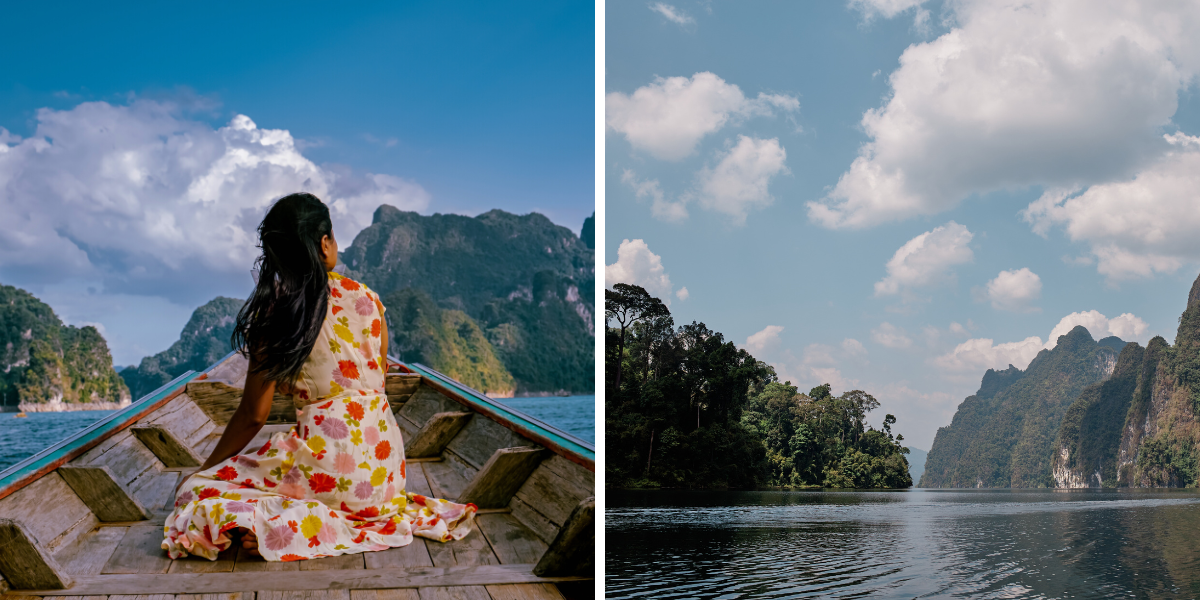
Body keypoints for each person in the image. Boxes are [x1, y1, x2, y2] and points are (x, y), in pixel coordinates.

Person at [162, 193, 476, 561]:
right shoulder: (369, 300)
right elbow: (378, 381)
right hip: (386, 474)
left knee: (198, 492)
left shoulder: (275, 311)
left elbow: (253, 416)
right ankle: (304, 518)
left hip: (329, 463)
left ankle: (288, 524)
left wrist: (206, 470)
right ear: (325, 243)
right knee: (290, 458)